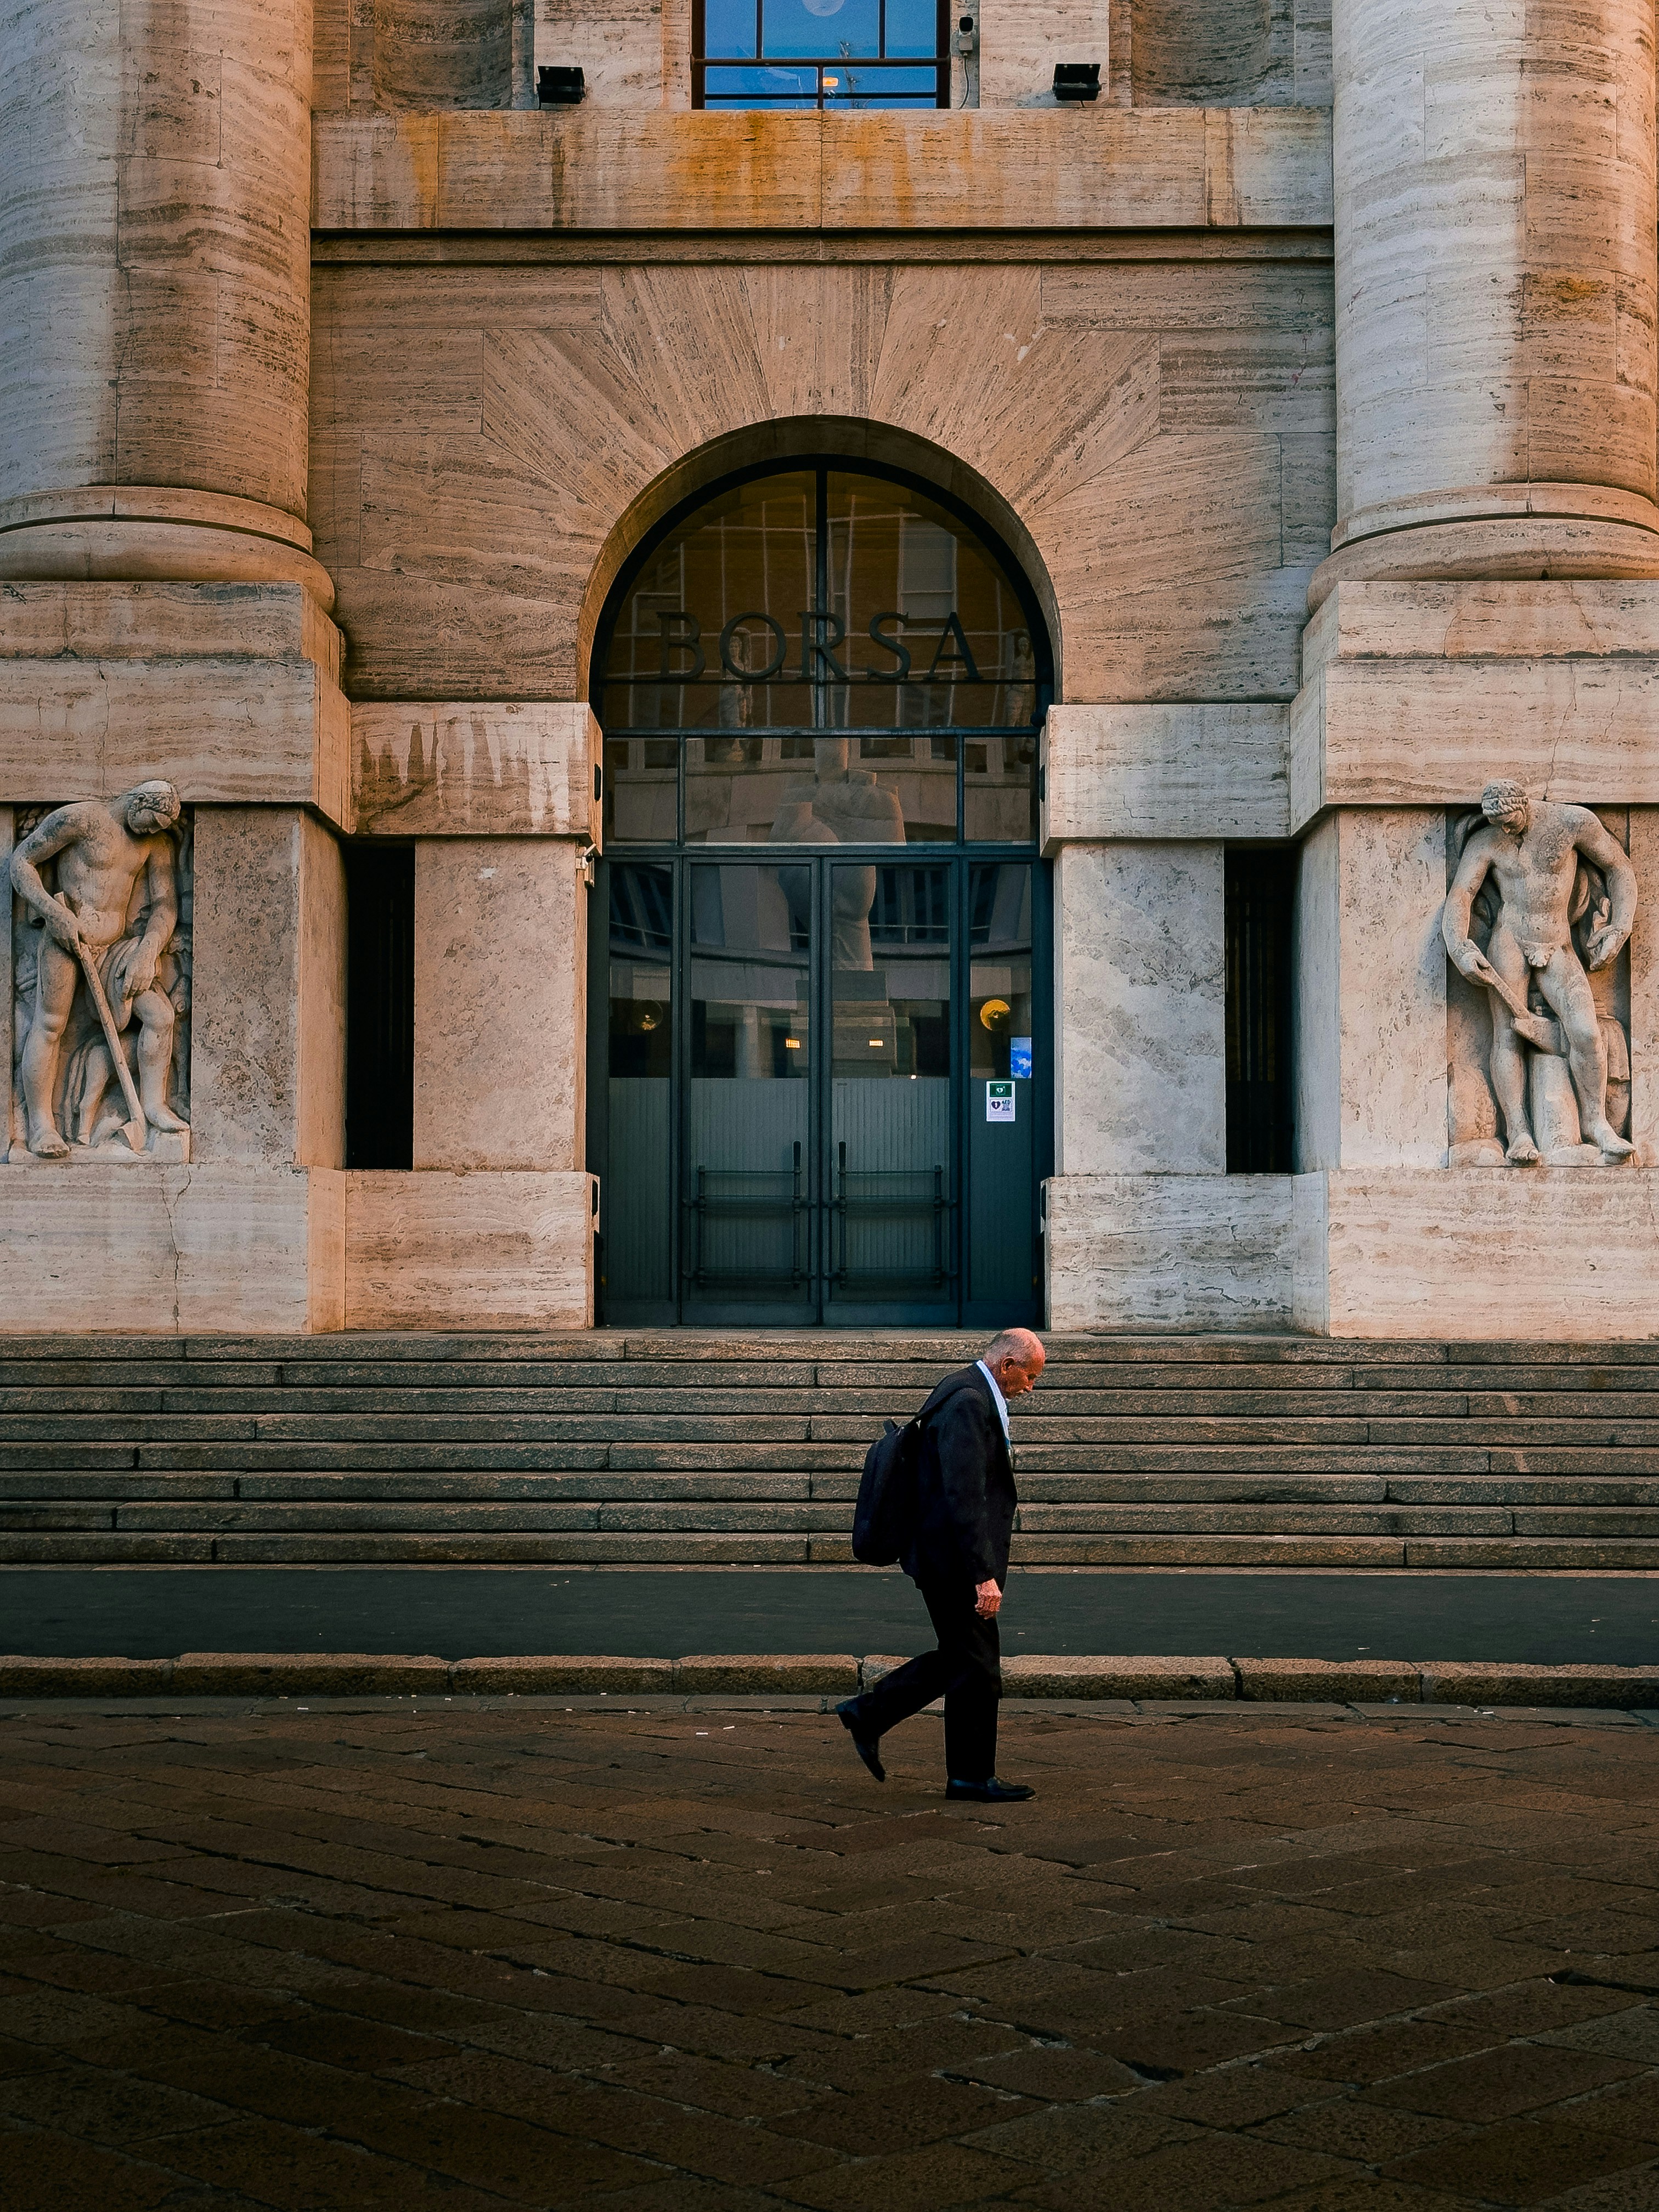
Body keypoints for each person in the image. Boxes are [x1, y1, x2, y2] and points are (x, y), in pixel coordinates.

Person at [836, 1327, 1046, 1803]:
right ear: (1007, 1366)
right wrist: (982, 1574)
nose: (1030, 1388)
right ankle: (965, 1773)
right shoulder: (970, 1402)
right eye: (1030, 1377)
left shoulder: (959, 1387)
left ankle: (875, 1717)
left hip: (941, 1555)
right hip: (953, 1562)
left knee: (966, 1661)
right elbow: (962, 1496)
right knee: (978, 1667)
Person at [1442, 778, 1636, 1163]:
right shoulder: (1488, 841)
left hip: (1558, 943)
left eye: (1510, 821)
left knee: (1585, 1032)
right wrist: (1461, 947)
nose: (1506, 829)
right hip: (1509, 942)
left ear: (1525, 804)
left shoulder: (1570, 823)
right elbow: (1461, 896)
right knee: (1508, 1037)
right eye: (1497, 823)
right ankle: (1518, 1132)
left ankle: (1596, 1124)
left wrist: (1621, 927)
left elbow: (1618, 866)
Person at [9, 783, 187, 1158]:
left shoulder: (156, 843)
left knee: (160, 1016)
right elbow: (22, 862)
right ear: (138, 802)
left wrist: (147, 951)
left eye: (160, 828)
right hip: (66, 938)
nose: (153, 832)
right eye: (151, 823)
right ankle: (42, 1126)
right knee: (51, 1024)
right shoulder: (82, 820)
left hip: (117, 950)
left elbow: (165, 905)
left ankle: (153, 1106)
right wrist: (54, 914)